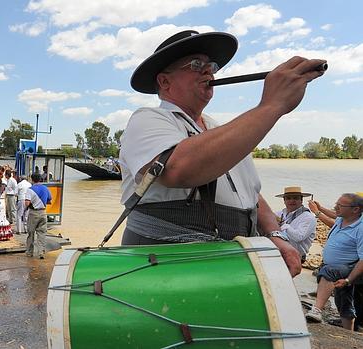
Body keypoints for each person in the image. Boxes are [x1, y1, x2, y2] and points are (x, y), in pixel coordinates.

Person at [118, 29, 325, 277]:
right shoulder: (147, 119)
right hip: (163, 263)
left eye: (211, 66)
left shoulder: (218, 130)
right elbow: (178, 169)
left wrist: (275, 235)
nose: (208, 71)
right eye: (196, 65)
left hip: (227, 260)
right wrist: (272, 105)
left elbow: (251, 195)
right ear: (164, 81)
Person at [305, 194, 363, 330]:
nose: (336, 207)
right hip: (340, 267)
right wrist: (321, 209)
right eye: (336, 203)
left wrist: (348, 280)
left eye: (340, 205)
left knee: (329, 272)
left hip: (352, 267)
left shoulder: (361, 228)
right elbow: (334, 219)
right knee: (342, 298)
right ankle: (348, 331)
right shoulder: (343, 219)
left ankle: (317, 310)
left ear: (355, 209)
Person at [273, 186, 316, 262]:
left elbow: (298, 237)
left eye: (295, 198)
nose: (292, 201)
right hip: (278, 254)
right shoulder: (279, 213)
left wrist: (283, 224)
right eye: (288, 198)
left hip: (295, 257)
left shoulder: (308, 217)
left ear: (301, 200)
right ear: (284, 200)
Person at [24, 173, 52, 259]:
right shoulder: (46, 188)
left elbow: (27, 203)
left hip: (33, 213)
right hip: (43, 213)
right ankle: (41, 252)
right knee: (42, 234)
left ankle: (29, 252)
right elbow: (50, 199)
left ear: (32, 180)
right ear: (40, 179)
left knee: (31, 233)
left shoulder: (30, 190)